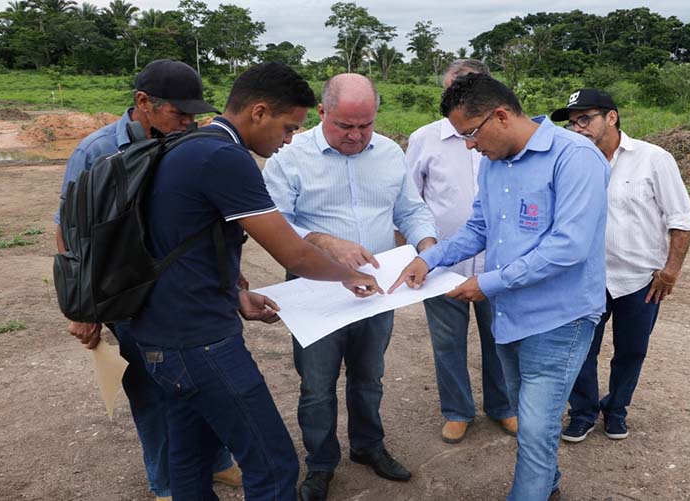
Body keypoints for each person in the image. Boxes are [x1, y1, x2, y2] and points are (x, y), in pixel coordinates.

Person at [129, 62, 381, 501]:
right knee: (273, 464)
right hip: (201, 342)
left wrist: (236, 293)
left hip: (161, 336)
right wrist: (350, 275)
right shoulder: (224, 157)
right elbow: (293, 253)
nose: (289, 140)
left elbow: (183, 245)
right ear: (259, 112)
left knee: (191, 455)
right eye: (288, 127)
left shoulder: (191, 145)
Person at [391, 73, 610, 501]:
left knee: (535, 428)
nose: (469, 146)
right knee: (531, 419)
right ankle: (547, 485)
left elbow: (569, 246)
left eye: (471, 134)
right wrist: (428, 258)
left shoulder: (575, 157)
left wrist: (488, 283)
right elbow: (478, 228)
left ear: (502, 116)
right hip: (510, 315)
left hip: (559, 318)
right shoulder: (495, 164)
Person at [54, 58, 241, 500]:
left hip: (180, 291)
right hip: (127, 293)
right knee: (149, 392)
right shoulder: (97, 151)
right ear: (143, 102)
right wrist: (82, 308)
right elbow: (68, 231)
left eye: (194, 114)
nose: (189, 122)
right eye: (180, 112)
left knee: (199, 382)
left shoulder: (184, 142)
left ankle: (216, 463)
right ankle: (167, 484)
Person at [263, 73, 438, 501]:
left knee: (369, 376)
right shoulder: (291, 156)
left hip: (377, 288)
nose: (357, 136)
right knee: (316, 385)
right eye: (345, 125)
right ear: (322, 112)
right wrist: (321, 240)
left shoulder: (390, 153)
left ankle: (368, 446)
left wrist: (428, 249)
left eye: (366, 125)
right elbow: (274, 222)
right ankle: (321, 464)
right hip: (314, 288)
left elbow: (411, 211)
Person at [551, 89, 690, 443]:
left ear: (611, 117)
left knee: (631, 351)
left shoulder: (653, 159)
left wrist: (670, 272)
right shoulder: (570, 162)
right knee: (581, 350)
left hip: (640, 281)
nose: (577, 128)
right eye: (572, 123)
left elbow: (681, 220)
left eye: (584, 119)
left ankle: (616, 410)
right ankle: (583, 412)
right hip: (585, 279)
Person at [405, 59, 515, 444]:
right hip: (442, 264)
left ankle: (503, 406)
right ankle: (457, 411)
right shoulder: (424, 139)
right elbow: (410, 202)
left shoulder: (505, 139)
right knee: (447, 342)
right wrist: (414, 254)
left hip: (498, 264)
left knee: (500, 338)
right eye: (455, 88)